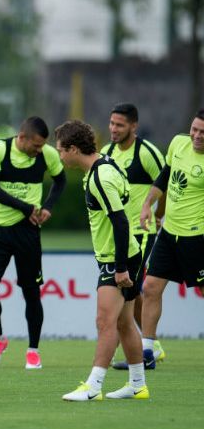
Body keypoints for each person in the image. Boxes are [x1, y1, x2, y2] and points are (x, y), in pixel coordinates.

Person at [56, 120, 149, 401]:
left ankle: (93, 387)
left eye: (60, 150)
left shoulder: (101, 177)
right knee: (123, 323)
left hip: (117, 260)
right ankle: (137, 385)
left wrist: (120, 268)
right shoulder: (106, 165)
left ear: (73, 149)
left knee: (104, 321)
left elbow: (120, 223)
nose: (59, 155)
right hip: (125, 255)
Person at [0, 116, 66, 369]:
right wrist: (28, 207)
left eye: (42, 147)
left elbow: (60, 181)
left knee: (31, 292)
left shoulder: (47, 154)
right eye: (36, 146)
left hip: (28, 232)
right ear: (22, 137)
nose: (40, 151)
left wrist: (47, 207)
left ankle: (33, 350)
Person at [99, 103, 166, 370]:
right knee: (132, 291)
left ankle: (142, 352)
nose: (113, 129)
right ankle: (149, 346)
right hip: (119, 234)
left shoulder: (148, 153)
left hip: (142, 232)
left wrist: (159, 214)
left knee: (131, 288)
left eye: (120, 125)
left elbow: (165, 184)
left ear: (133, 127)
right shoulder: (106, 153)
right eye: (112, 124)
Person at [138, 109, 204, 368]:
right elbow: (165, 177)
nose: (196, 136)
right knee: (151, 288)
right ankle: (147, 353)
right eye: (195, 129)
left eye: (203, 133)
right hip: (168, 233)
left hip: (196, 237)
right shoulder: (178, 143)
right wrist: (148, 205)